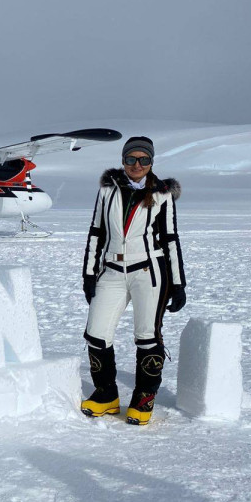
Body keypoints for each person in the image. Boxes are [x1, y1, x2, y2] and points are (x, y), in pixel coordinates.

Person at [79, 136, 186, 425]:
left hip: (148, 272)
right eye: (130, 159)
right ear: (123, 160)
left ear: (151, 162)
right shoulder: (107, 191)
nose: (136, 165)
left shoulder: (162, 194)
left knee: (147, 336)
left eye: (143, 160)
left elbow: (170, 239)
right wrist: (89, 273)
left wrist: (178, 283)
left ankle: (144, 397)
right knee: (97, 334)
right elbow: (96, 233)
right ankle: (106, 395)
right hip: (111, 270)